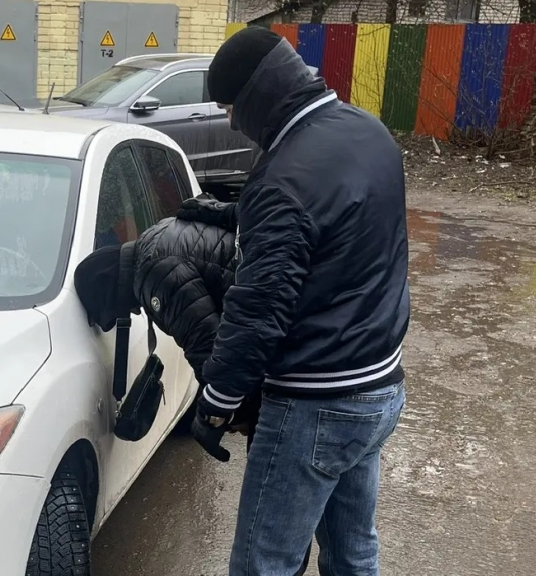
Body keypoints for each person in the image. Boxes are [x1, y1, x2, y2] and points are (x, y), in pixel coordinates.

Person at [180, 26, 410, 576]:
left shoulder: (280, 180)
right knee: (353, 552)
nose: (231, 122)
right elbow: (333, 225)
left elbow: (257, 313)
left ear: (257, 98)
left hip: (317, 404)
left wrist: (216, 400)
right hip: (380, 388)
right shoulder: (368, 131)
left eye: (231, 108)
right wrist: (237, 215)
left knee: (263, 564)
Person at [73, 205, 265, 430]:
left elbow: (206, 345)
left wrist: (223, 413)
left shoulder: (156, 272)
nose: (132, 312)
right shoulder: (152, 241)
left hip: (274, 316)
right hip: (270, 294)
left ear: (112, 294)